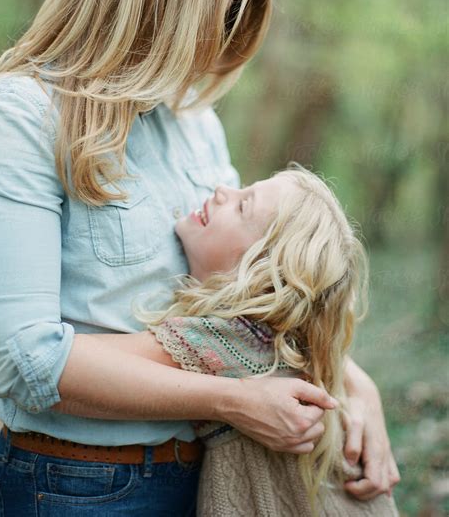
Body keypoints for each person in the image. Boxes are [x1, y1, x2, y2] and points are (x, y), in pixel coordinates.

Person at [0, 0, 399, 516]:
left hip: (206, 479)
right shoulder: (20, 118)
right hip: (76, 485)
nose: (222, 42)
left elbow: (254, 293)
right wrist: (231, 399)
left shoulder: (194, 123)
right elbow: (22, 361)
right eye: (219, 15)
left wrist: (355, 386)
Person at [92, 164, 400, 516]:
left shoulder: (230, 340)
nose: (223, 189)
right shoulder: (287, 338)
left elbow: (65, 357)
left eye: (242, 206)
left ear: (260, 270)